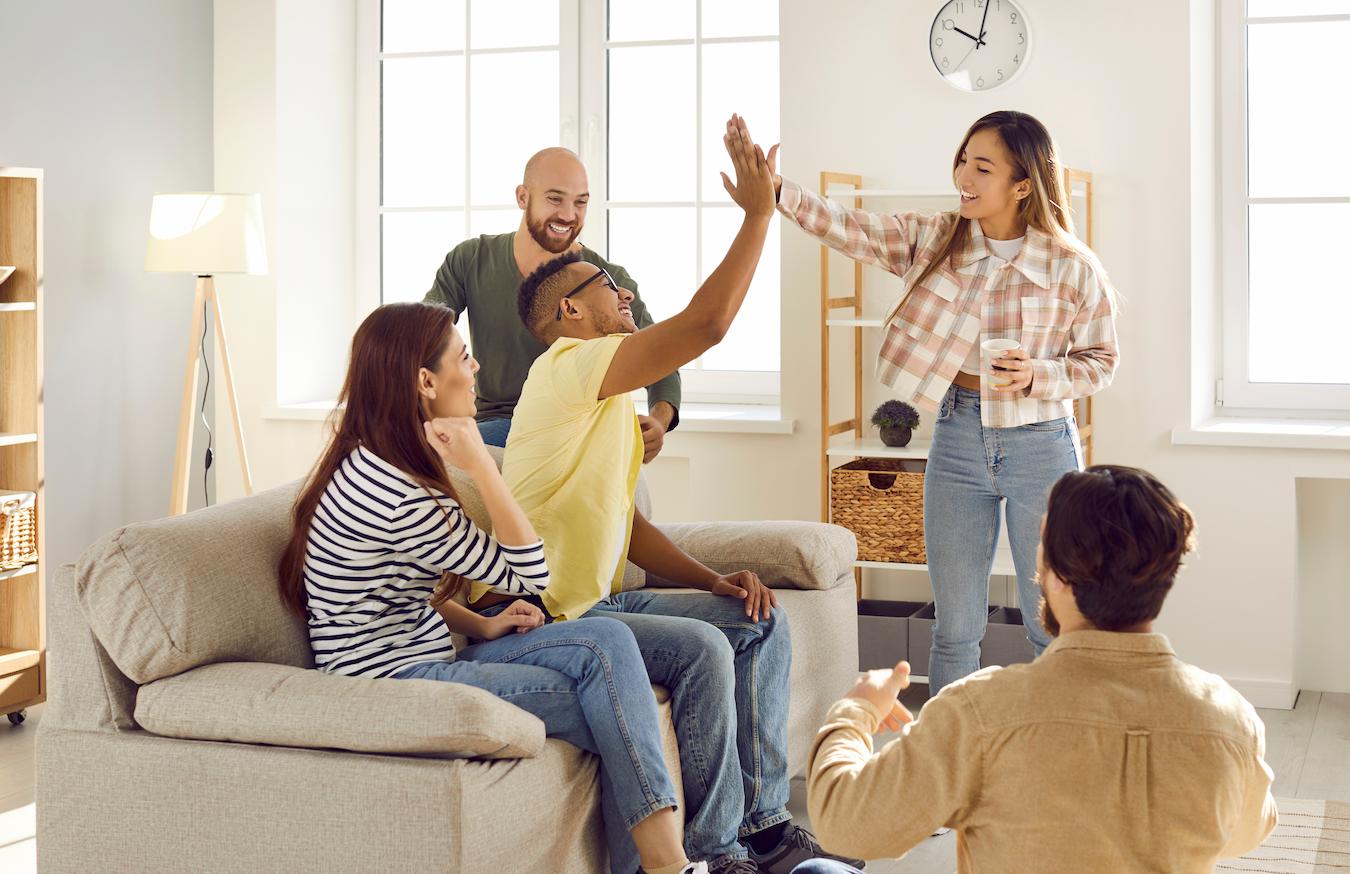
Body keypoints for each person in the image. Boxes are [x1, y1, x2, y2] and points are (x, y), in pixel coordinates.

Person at [477, 115, 863, 874]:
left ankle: (763, 828)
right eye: (605, 287)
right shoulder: (566, 368)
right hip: (546, 617)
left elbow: (623, 528)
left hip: (603, 600)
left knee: (754, 620)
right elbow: (708, 324)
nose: (623, 293)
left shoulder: (613, 398)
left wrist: (713, 580)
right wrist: (758, 215)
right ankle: (715, 856)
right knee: (700, 650)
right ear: (570, 313)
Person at [276, 301, 710, 874]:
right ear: (425, 382)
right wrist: (482, 463)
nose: (476, 367)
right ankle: (669, 865)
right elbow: (531, 574)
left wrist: (480, 623)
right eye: (464, 357)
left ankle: (664, 864)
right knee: (615, 696)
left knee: (608, 652)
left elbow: (392, 587)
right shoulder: (395, 493)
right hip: (399, 682)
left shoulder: (374, 461)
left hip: (424, 654)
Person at [768, 110, 1120, 694]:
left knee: (1051, 625)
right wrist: (778, 191)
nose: (965, 176)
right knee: (955, 629)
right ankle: (946, 767)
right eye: (962, 160)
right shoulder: (936, 238)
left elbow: (1102, 362)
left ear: (1024, 183)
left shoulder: (1073, 268)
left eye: (983, 167)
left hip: (1043, 446)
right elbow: (847, 225)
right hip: (957, 438)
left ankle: (1054, 754)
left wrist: (1039, 374)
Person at [796, 466, 1278, 873]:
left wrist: (855, 711)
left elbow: (846, 824)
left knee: (817, 869)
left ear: (1056, 574)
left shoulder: (980, 710)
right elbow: (1245, 833)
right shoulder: (1229, 718)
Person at [425, 146, 680, 461]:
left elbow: (661, 358)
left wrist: (658, 420)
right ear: (523, 197)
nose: (569, 215)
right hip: (496, 424)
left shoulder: (609, 281)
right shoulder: (471, 260)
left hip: (575, 428)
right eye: (555, 199)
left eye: (581, 202)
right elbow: (422, 335)